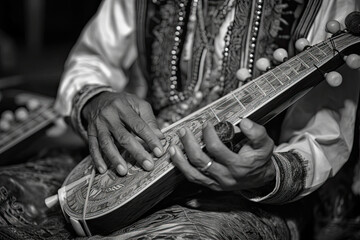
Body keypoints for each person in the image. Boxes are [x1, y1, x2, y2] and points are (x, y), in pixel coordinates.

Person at [52, 0, 360, 239]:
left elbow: (324, 135)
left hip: (251, 199)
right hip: (137, 166)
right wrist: (95, 100)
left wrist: (267, 173)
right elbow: (92, 59)